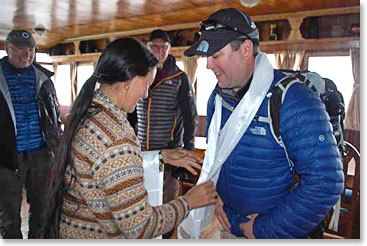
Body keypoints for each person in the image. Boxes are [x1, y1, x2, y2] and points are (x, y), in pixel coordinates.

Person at [179, 8, 344, 239]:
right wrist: (216, 199)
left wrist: (262, 228)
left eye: (215, 56)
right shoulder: (217, 99)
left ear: (245, 49)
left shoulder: (293, 99)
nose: (208, 65)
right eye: (206, 57)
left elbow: (326, 182)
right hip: (228, 224)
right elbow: (218, 160)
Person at [39, 37, 216, 239]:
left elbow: (104, 165)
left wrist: (158, 156)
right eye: (147, 84)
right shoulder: (118, 139)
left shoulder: (92, 113)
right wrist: (189, 201)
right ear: (128, 80)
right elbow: (139, 227)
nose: (146, 94)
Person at [0, 30, 63, 239]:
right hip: (7, 157)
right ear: (7, 48)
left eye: (31, 49)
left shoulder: (44, 78)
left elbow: (53, 115)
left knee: (43, 211)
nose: (26, 53)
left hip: (42, 155)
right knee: (9, 215)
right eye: (19, 48)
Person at [136, 29, 198, 237]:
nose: (159, 51)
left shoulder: (179, 78)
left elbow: (191, 118)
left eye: (164, 47)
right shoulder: (137, 74)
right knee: (139, 206)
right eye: (155, 46)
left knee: (167, 206)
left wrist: (187, 152)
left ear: (169, 50)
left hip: (169, 158)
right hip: (139, 154)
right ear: (147, 47)